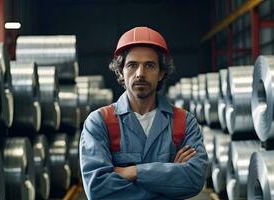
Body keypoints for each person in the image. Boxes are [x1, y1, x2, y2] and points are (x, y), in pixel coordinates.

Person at [80, 26, 208, 199]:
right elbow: (97, 189)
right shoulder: (100, 122)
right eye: (132, 65)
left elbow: (194, 179)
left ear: (161, 73)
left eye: (150, 65)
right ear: (120, 71)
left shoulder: (184, 122)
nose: (140, 74)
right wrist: (169, 178)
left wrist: (133, 172)